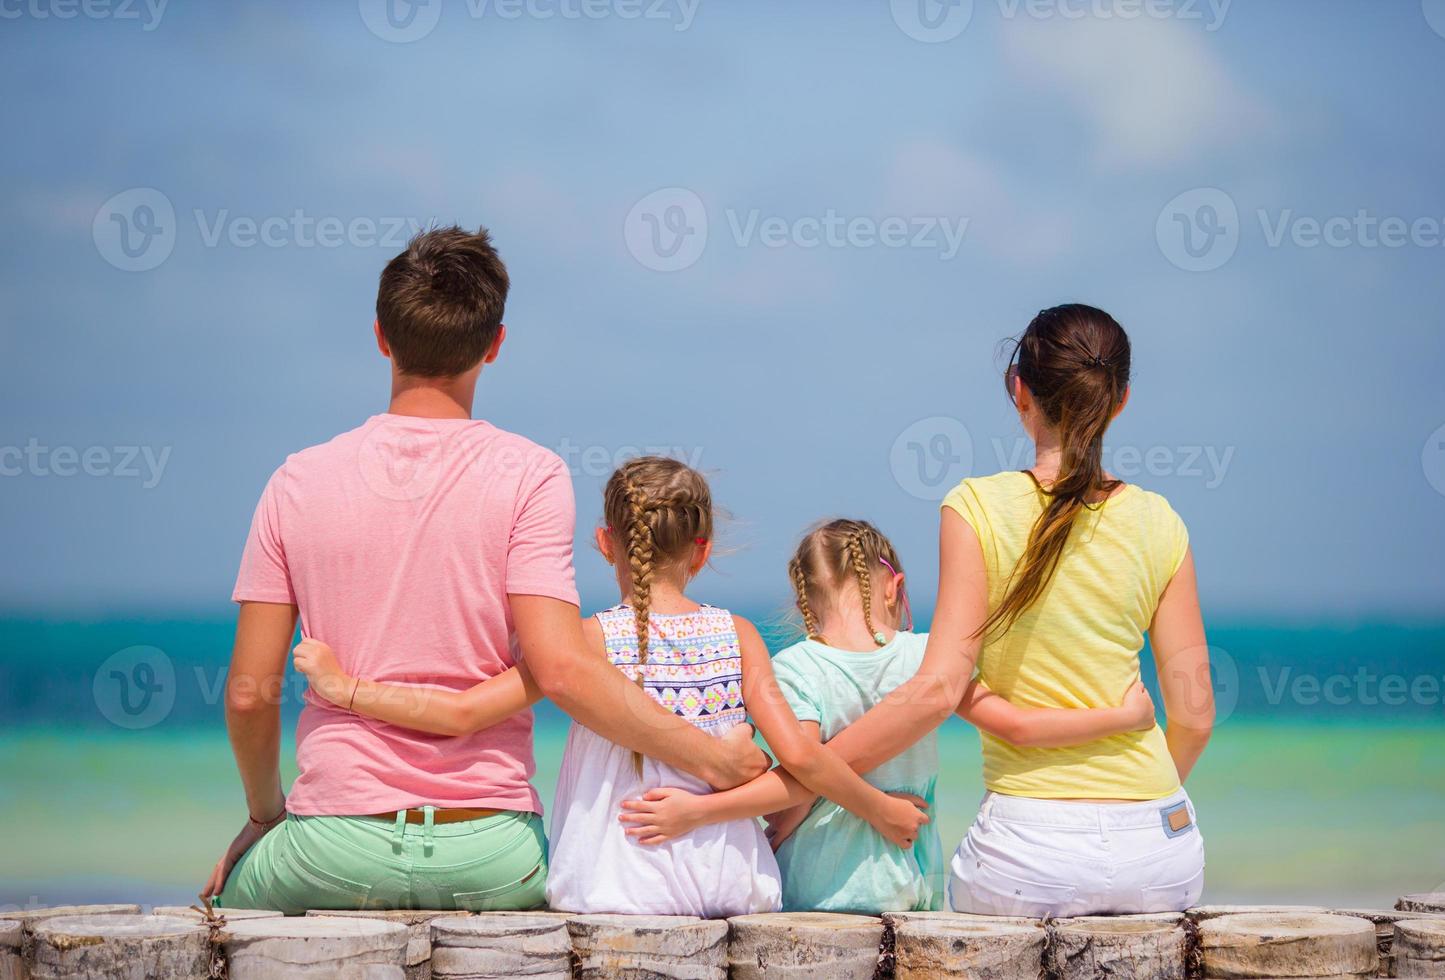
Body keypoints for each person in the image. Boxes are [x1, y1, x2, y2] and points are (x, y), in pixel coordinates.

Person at [202, 227, 767, 913]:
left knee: (225, 902)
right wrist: (709, 758)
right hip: (493, 852)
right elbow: (560, 669)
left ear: (381, 336)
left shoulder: (297, 482)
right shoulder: (531, 477)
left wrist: (266, 818)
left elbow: (248, 694)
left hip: (333, 844)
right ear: (494, 344)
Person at [294, 458, 929, 916]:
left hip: (613, 883)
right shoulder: (739, 636)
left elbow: (463, 713)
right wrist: (877, 807)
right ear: (702, 551)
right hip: (730, 881)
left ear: (606, 545)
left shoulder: (584, 641)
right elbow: (800, 757)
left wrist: (345, 688)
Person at [797, 304, 1215, 917]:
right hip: (1163, 850)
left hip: (1030, 853)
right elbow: (1196, 716)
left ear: (1019, 390)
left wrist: (804, 777)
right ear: (1119, 401)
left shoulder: (975, 507)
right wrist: (1134, 810)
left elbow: (938, 689)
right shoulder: (1160, 521)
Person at [619, 518, 1156, 913]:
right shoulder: (928, 659)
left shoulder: (796, 667)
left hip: (811, 888)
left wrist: (699, 812)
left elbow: (802, 774)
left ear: (805, 598)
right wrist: (1123, 717)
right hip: (906, 888)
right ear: (895, 585)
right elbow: (1019, 727)